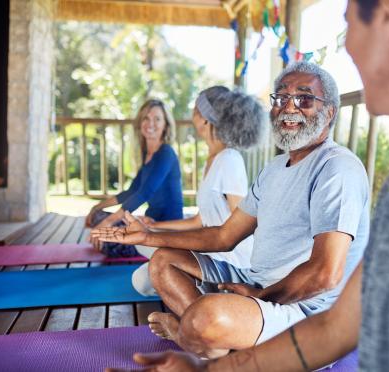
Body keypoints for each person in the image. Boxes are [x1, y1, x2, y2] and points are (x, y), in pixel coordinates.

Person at [105, 0, 389, 371]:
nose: (349, 46)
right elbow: (333, 330)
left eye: (348, 23)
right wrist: (207, 369)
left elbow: (325, 284)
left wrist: (258, 300)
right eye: (282, 98)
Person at [93, 61, 370, 358]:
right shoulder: (275, 169)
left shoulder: (336, 168)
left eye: (303, 98)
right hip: (256, 281)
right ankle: (209, 342)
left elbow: (325, 273)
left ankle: (198, 336)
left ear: (329, 112)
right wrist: (148, 236)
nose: (288, 107)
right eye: (280, 98)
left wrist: (261, 298)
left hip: (308, 311)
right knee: (162, 263)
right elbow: (224, 235)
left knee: (207, 316)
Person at [131, 86, 266, 296]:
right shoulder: (213, 159)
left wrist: (158, 236)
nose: (192, 114)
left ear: (205, 119)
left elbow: (239, 225)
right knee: (140, 247)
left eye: (195, 109)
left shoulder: (229, 159)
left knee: (142, 279)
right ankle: (197, 285)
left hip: (229, 260)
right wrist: (156, 226)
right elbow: (200, 220)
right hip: (209, 249)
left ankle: (216, 292)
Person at [86, 99, 183, 257]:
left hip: (166, 230)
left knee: (105, 232)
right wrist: (97, 206)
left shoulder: (166, 153)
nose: (150, 123)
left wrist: (108, 222)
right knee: (98, 216)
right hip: (148, 222)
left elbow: (145, 192)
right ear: (140, 123)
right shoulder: (148, 154)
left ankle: (148, 249)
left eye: (157, 119)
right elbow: (132, 191)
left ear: (165, 125)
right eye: (146, 118)